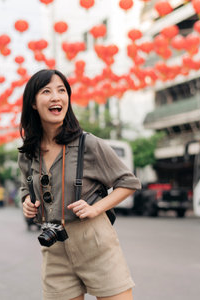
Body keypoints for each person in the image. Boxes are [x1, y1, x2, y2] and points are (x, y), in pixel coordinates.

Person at [17, 69, 141, 300]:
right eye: (47, 91)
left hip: (94, 241)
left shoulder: (88, 144)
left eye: (61, 91)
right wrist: (26, 201)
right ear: (33, 103)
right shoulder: (28, 153)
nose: (56, 97)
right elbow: (26, 186)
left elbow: (128, 182)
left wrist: (96, 208)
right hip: (54, 246)